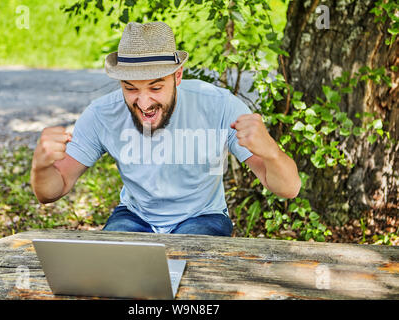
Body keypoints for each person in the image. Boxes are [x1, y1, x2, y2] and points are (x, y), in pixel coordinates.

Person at [30, 21, 301, 237]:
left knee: (193, 275)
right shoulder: (102, 113)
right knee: (114, 276)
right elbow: (54, 189)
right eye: (131, 88)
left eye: (156, 87)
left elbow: (288, 188)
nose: (144, 102)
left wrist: (272, 153)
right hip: (135, 216)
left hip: (202, 217)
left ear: (178, 76)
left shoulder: (218, 105)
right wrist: (41, 167)